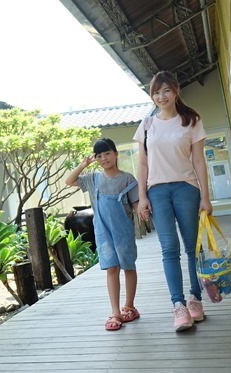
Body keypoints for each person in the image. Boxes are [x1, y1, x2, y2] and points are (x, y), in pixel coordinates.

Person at [133, 70, 213, 332]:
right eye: (156, 92)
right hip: (157, 191)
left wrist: (205, 196)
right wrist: (142, 196)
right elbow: (142, 164)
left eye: (166, 90)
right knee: (169, 248)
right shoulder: (147, 125)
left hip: (186, 189)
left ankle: (195, 299)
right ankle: (178, 306)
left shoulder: (191, 120)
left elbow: (199, 160)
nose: (161, 96)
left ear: (176, 90)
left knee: (192, 247)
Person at [66, 137, 140, 331]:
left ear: (116, 154)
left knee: (128, 266)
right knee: (111, 268)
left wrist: (145, 211)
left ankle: (129, 306)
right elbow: (69, 181)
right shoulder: (93, 178)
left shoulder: (128, 179)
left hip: (123, 231)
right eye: (99, 155)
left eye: (107, 153)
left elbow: (136, 204)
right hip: (103, 231)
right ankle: (115, 312)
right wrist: (83, 165)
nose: (104, 158)